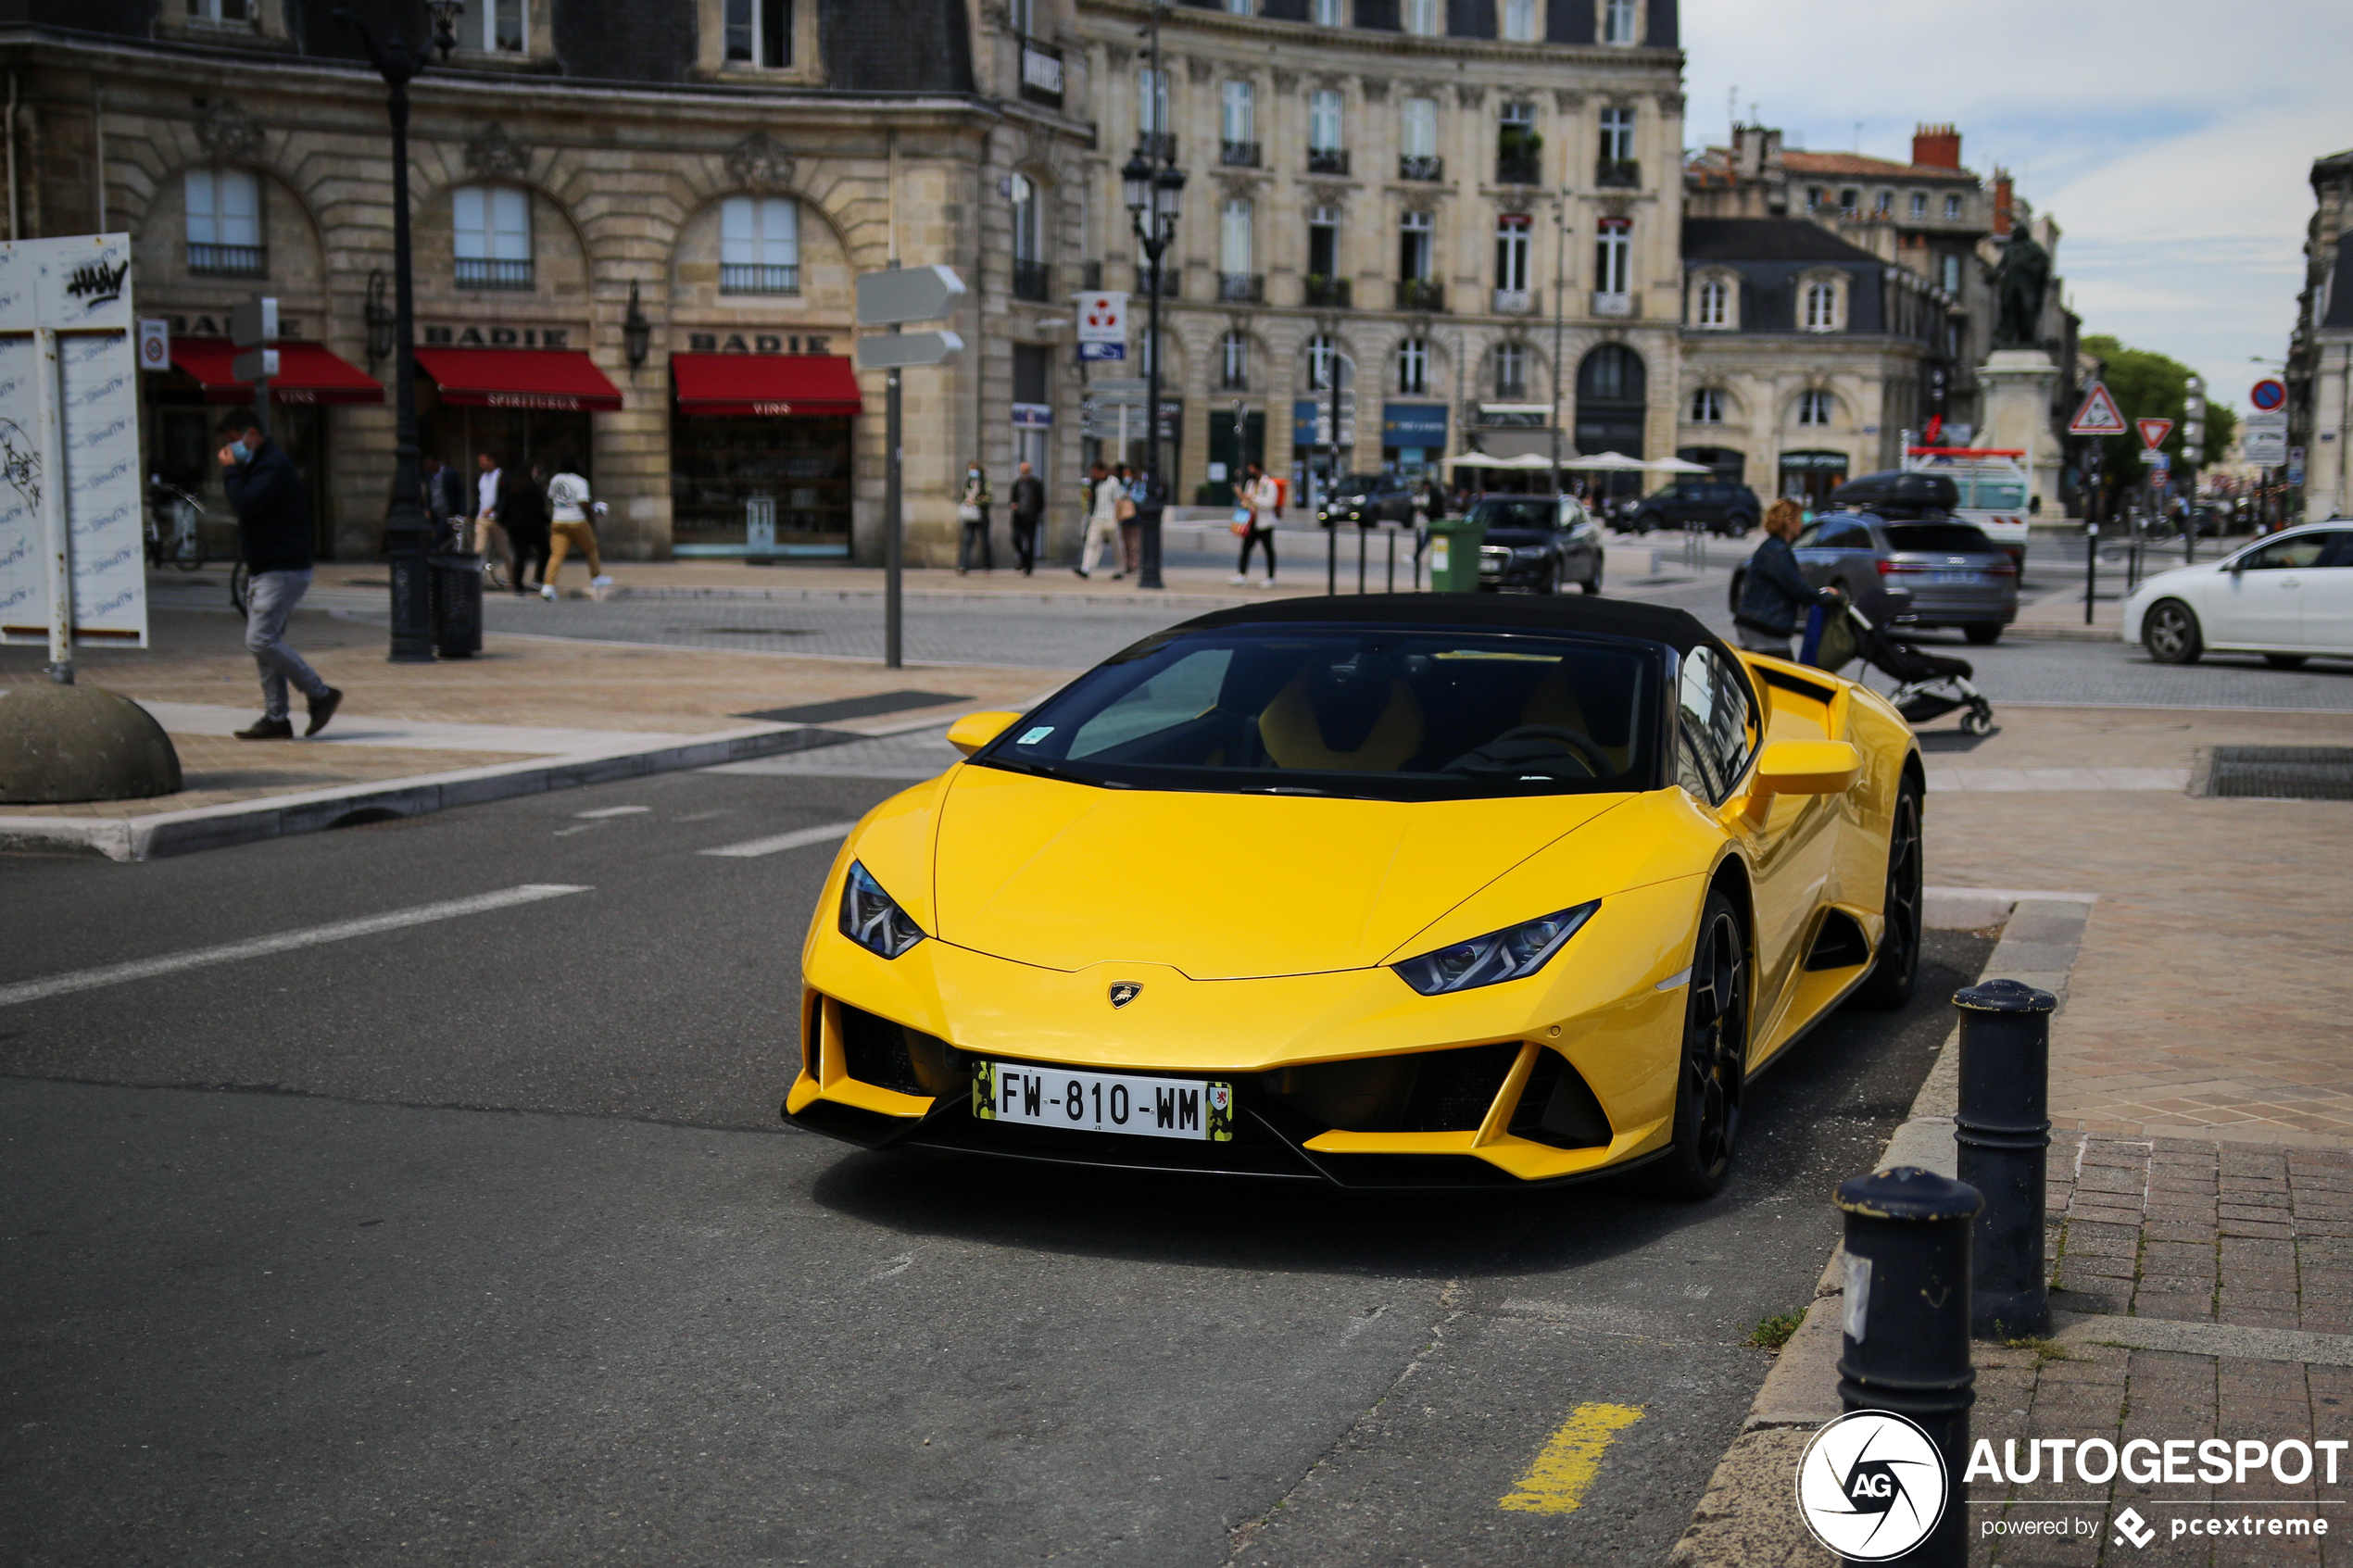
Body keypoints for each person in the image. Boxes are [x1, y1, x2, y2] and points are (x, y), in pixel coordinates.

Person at [217, 409, 340, 740]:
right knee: (266, 646)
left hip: (283, 569)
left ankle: (320, 693)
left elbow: (246, 502)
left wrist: (230, 471)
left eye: (233, 443)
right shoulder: (259, 464)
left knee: (260, 640)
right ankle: (277, 718)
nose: (230, 451)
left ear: (251, 435)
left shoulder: (271, 466)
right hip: (268, 568)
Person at [1733, 496, 1843, 658]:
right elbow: (1797, 588)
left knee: (1756, 678)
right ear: (1788, 521)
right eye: (1799, 518)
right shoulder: (1779, 551)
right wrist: (1827, 596)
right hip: (1765, 627)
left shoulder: (1771, 546)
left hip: (1753, 622)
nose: (1802, 523)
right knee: (1786, 679)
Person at [541, 457, 609, 597]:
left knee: (556, 555)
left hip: (558, 521)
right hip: (576, 520)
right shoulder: (581, 482)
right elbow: (583, 503)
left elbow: (551, 496)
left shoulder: (555, 479)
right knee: (590, 548)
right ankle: (596, 578)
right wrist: (594, 510)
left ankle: (548, 586)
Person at [500, 460, 552, 596]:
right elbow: (539, 509)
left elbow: (504, 507)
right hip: (533, 526)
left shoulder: (512, 488)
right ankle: (538, 578)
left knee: (521, 556)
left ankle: (517, 585)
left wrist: (503, 522)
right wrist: (549, 522)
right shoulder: (533, 489)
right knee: (545, 550)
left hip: (515, 526)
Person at [1230, 461, 1277, 587]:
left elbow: (1270, 503)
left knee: (1268, 550)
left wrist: (1253, 499)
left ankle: (1271, 577)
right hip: (1251, 522)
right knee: (1246, 548)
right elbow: (1247, 501)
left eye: (1252, 469)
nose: (1250, 472)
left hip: (1265, 523)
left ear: (1259, 470)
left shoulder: (1269, 484)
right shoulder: (1250, 484)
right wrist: (1243, 498)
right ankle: (1242, 575)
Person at [1075, 460, 1122, 580]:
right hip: (1097, 517)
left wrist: (1117, 516)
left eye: (1095, 472)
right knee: (1091, 543)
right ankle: (1085, 568)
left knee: (1116, 545)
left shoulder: (1113, 482)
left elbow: (1118, 500)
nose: (1093, 474)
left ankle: (1120, 569)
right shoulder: (1095, 483)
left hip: (1111, 517)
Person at [473, 451, 510, 588]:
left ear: (491, 460)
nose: (481, 465)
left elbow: (504, 497)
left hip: (496, 520)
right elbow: (479, 498)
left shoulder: (501, 475)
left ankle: (513, 578)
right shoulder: (480, 477)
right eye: (480, 462)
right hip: (482, 519)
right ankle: (476, 579)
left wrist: (494, 508)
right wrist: (472, 514)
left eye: (484, 461)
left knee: (503, 551)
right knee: (479, 549)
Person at [1009, 460, 1045, 576]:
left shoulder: (1036, 484)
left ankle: (1028, 566)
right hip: (1018, 516)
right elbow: (1012, 499)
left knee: (1029, 542)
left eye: (1025, 470)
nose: (1023, 473)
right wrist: (1013, 505)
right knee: (1016, 538)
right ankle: (1024, 559)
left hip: (1030, 517)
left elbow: (1041, 501)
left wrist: (1036, 514)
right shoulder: (1017, 483)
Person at [956, 461, 993, 574]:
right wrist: (967, 502)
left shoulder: (985, 483)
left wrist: (976, 501)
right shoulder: (967, 483)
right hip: (970, 516)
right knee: (967, 541)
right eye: (970, 469)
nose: (972, 472)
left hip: (982, 516)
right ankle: (963, 565)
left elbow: (988, 498)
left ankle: (987, 565)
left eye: (974, 469)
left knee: (985, 542)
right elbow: (963, 497)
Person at [1117, 463, 1143, 578]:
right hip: (1125, 518)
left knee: (1135, 544)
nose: (1126, 476)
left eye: (1128, 474)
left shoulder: (1138, 486)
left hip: (1135, 517)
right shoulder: (1123, 486)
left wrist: (1131, 495)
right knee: (1125, 543)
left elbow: (1141, 498)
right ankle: (1126, 565)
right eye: (1124, 474)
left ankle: (1134, 565)